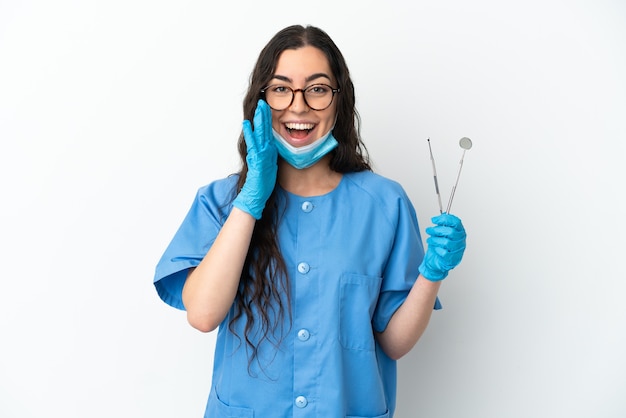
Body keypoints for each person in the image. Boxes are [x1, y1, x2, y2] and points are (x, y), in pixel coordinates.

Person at [154, 24, 467, 418]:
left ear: (339, 100)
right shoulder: (220, 202)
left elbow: (394, 343)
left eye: (317, 89)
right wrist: (251, 201)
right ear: (261, 100)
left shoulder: (384, 204)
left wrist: (432, 272)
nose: (298, 106)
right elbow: (202, 315)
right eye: (281, 88)